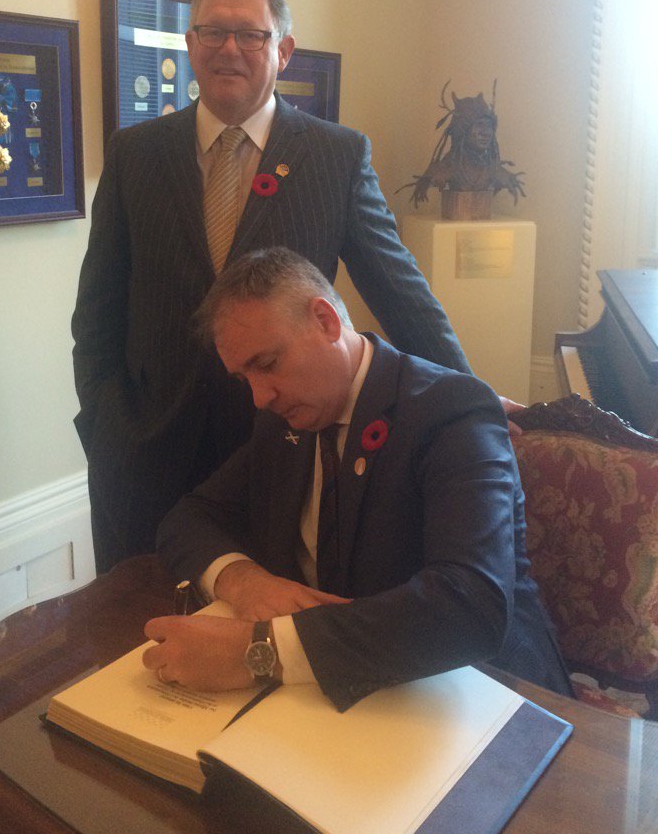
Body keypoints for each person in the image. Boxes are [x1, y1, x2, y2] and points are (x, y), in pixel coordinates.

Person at [72, 0, 471, 574]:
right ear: (190, 44)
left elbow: (402, 295)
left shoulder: (336, 157)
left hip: (284, 455)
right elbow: (96, 314)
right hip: (145, 454)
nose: (229, 48)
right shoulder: (135, 155)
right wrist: (104, 428)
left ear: (282, 51)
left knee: (267, 634)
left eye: (251, 35)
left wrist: (469, 403)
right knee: (134, 637)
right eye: (212, 32)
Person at [146, 248, 572, 711]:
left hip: (483, 693)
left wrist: (260, 650)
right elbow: (187, 518)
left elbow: (470, 607)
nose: (258, 397)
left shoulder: (452, 410)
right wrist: (243, 581)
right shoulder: (284, 420)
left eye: (266, 364)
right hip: (345, 695)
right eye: (243, 377)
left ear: (326, 321)